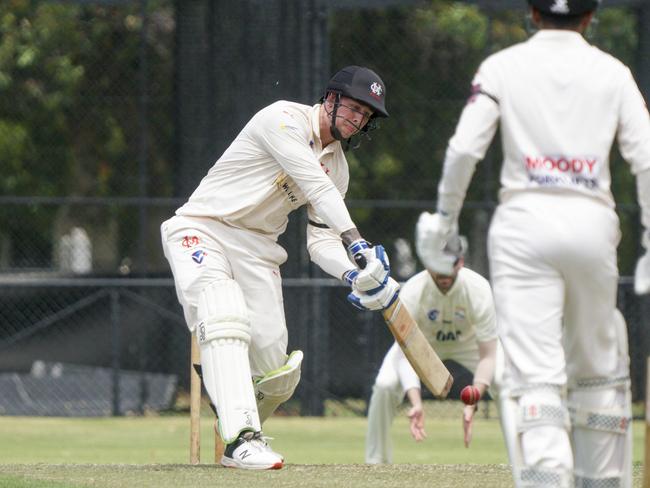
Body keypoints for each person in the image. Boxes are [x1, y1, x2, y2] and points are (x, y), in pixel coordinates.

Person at [415, 0, 650, 486]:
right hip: (592, 221)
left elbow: (463, 150)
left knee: (535, 371)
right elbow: (645, 157)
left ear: (532, 13)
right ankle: (602, 477)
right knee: (598, 365)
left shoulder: (503, 66)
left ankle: (548, 473)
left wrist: (444, 224)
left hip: (523, 225)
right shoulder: (613, 72)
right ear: (590, 16)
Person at [161, 66, 400, 470]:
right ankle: (242, 441)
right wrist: (358, 243)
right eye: (354, 108)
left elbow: (321, 241)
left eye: (366, 116)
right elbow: (314, 184)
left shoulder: (338, 168)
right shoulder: (282, 119)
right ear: (331, 98)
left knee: (276, 373)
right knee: (223, 314)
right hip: (204, 227)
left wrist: (355, 275)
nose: (357, 120)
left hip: (258, 249)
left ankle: (230, 403)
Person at [365, 240, 499, 464]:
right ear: (428, 264)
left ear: (460, 263)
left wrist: (474, 398)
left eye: (450, 265)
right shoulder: (414, 290)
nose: (445, 273)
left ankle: (524, 462)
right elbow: (407, 351)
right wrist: (415, 402)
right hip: (421, 345)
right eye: (439, 266)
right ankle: (375, 462)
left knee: (507, 380)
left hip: (469, 344)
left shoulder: (478, 288)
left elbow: (488, 355)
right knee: (385, 385)